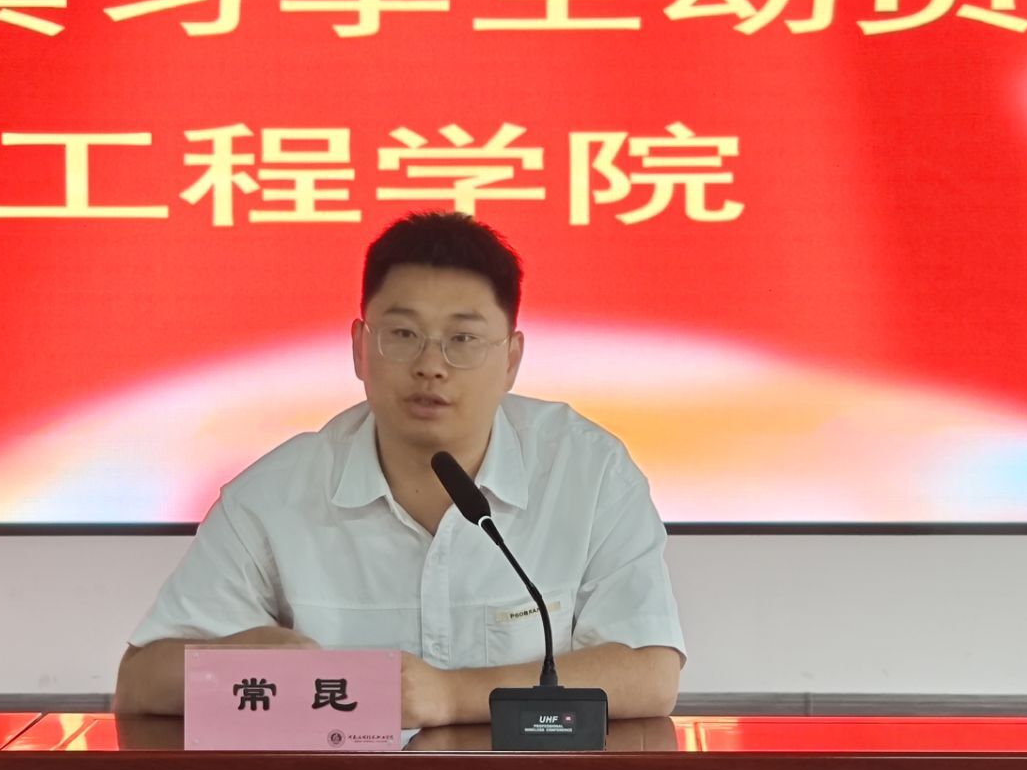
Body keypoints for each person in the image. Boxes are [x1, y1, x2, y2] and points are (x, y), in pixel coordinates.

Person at [114, 211, 685, 727]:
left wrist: (454, 696)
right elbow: (140, 682)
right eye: (403, 335)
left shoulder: (588, 473)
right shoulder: (272, 496)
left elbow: (648, 673)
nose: (431, 365)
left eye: (463, 339)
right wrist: (238, 659)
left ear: (511, 359)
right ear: (359, 347)